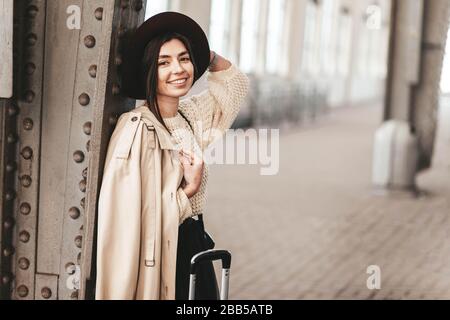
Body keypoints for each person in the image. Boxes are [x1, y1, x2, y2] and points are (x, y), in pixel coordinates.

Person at [95, 11, 249, 300]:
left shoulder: (188, 116)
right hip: (165, 258)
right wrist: (188, 190)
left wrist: (205, 54)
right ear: (148, 72)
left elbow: (235, 86)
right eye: (163, 62)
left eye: (184, 58)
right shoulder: (138, 128)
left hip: (194, 246)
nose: (178, 69)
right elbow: (132, 222)